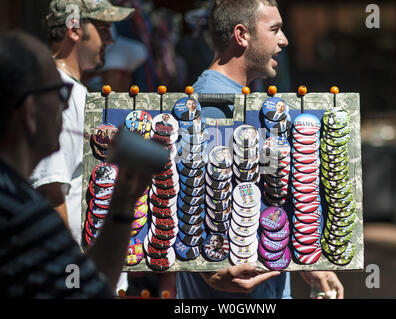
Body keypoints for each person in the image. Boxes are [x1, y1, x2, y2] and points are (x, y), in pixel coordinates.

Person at [177, 0, 344, 299]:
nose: (284, 40)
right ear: (242, 35)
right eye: (275, 29)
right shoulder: (208, 105)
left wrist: (300, 256)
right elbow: (188, 200)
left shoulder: (250, 102)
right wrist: (207, 272)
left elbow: (265, 193)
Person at [0, 31, 154, 298]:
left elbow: (84, 280)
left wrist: (123, 199)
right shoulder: (24, 218)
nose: (64, 104)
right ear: (30, 113)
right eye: (61, 92)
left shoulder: (16, 198)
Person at [29, 0, 135, 292]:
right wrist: (75, 279)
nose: (110, 40)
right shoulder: (58, 92)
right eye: (103, 28)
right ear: (74, 28)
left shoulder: (71, 90)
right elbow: (51, 191)